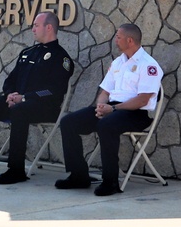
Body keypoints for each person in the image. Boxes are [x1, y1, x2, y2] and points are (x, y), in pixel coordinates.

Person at [0, 11, 74, 185]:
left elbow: (54, 91)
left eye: (36, 25)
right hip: (17, 102)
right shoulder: (28, 53)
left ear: (49, 28)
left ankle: (16, 170)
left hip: (44, 108)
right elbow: (10, 80)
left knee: (19, 111)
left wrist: (24, 98)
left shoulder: (61, 58)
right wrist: (10, 94)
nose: (32, 29)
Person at [55, 23, 163, 196]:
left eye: (118, 37)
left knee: (106, 125)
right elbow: (105, 91)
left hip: (136, 113)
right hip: (112, 109)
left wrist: (112, 109)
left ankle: (110, 182)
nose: (115, 40)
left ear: (130, 40)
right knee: (68, 122)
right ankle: (79, 176)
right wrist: (100, 106)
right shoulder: (118, 62)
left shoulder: (149, 65)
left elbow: (143, 99)